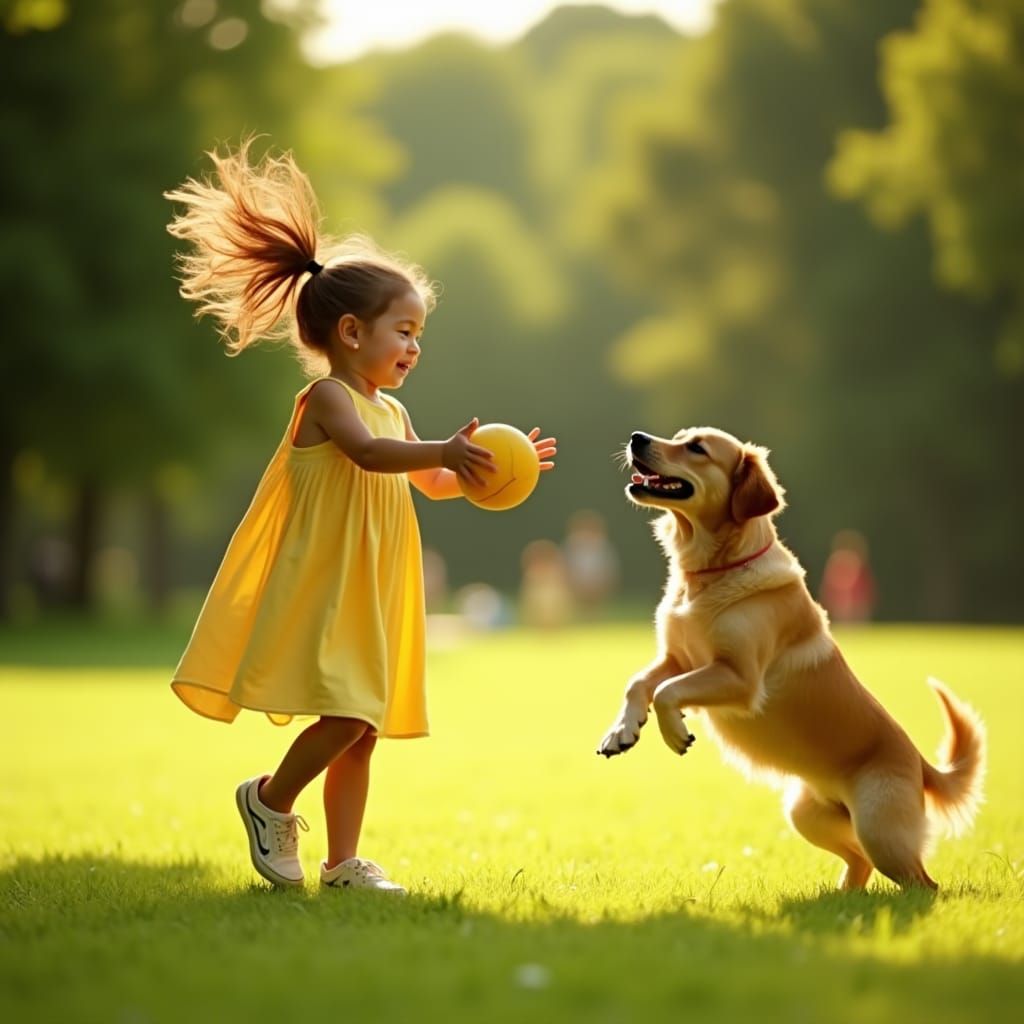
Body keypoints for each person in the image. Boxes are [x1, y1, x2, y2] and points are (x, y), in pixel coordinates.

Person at [164, 140, 556, 895]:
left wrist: (493, 473)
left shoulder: (394, 407)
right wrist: (442, 447)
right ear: (352, 334)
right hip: (330, 582)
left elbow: (433, 483)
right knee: (345, 717)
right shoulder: (330, 401)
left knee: (364, 730)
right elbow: (373, 458)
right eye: (403, 331)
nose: (413, 346)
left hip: (374, 586)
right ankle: (270, 799)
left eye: (418, 335)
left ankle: (343, 864)